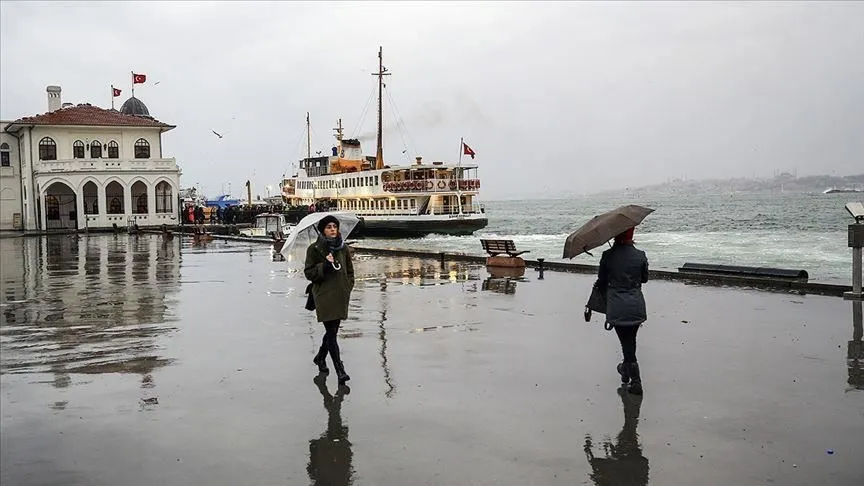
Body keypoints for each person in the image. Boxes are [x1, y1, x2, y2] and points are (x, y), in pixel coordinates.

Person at [597, 226, 649, 395]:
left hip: (617, 306)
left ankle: (636, 380)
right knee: (630, 341)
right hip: (636, 305)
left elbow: (602, 282)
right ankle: (626, 372)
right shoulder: (640, 255)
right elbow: (644, 279)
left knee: (627, 343)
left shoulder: (607, 256)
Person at [305, 215, 355, 384]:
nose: (333, 229)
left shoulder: (343, 248)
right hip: (324, 295)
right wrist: (324, 266)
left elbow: (350, 271)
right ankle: (340, 370)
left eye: (334, 226)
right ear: (322, 230)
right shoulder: (314, 249)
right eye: (328, 227)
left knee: (332, 331)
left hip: (340, 294)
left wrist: (348, 287)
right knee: (332, 333)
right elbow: (309, 273)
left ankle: (320, 357)